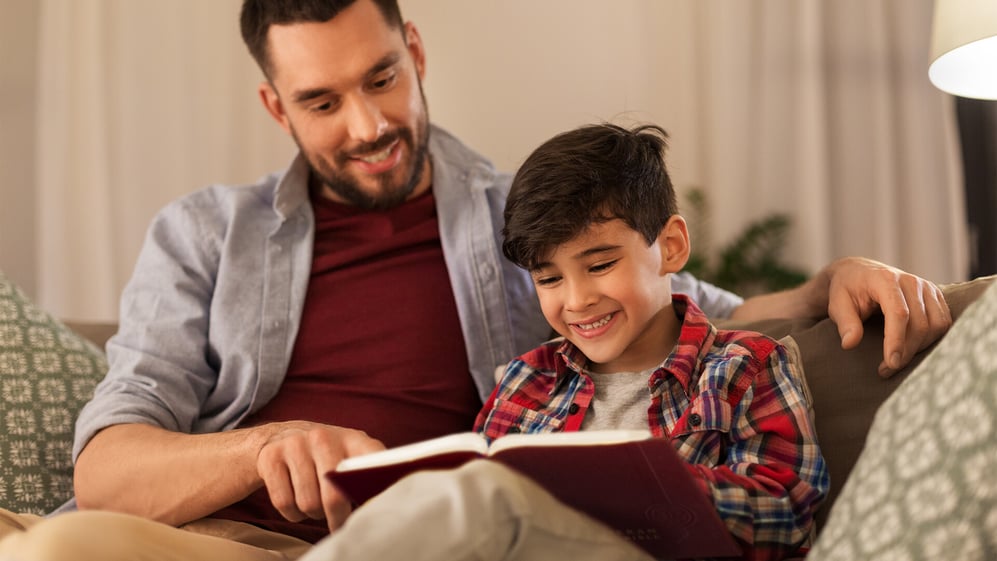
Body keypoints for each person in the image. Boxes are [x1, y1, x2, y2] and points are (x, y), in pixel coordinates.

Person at [0, 0, 949, 559]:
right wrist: (262, 449)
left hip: (433, 538)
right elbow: (109, 470)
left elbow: (694, 313)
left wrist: (835, 275)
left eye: (380, 79)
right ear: (274, 106)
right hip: (224, 543)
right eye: (322, 102)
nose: (367, 124)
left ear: (414, 52)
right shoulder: (203, 234)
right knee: (65, 545)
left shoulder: (521, 224)